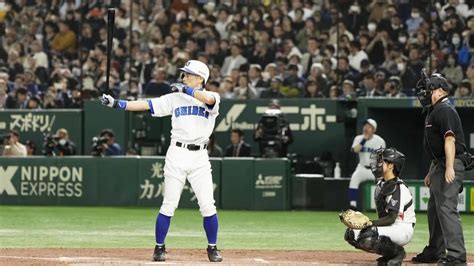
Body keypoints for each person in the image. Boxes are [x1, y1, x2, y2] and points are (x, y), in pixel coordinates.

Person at [101, 59, 223, 262]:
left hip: (200, 156)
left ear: (201, 78)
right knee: (169, 204)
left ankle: (212, 248)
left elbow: (209, 100)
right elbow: (146, 104)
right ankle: (159, 248)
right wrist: (117, 103)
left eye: (189, 74)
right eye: (184, 74)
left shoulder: (211, 97)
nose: (184, 77)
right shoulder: (175, 98)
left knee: (208, 205)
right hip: (177, 153)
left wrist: (186, 90)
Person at [412, 73, 467, 264]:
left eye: (429, 88)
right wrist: (432, 169)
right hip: (439, 164)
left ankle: (456, 256)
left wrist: (449, 167)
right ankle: (435, 250)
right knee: (434, 209)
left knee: (446, 209)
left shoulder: (444, 109)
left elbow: (450, 140)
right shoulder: (434, 110)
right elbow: (435, 147)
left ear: (440, 91)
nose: (425, 92)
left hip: (450, 163)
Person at [344, 147, 415, 266]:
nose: (377, 164)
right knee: (351, 234)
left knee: (367, 235)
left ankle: (398, 253)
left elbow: (392, 218)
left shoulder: (398, 188)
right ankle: (389, 254)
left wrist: (369, 223)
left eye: (381, 161)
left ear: (391, 165)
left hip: (402, 228)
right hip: (391, 227)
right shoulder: (381, 184)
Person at [349, 119, 386, 209]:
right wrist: (363, 141)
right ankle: (353, 205)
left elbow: (381, 159)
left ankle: (385, 206)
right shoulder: (358, 138)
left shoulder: (379, 141)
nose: (366, 128)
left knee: (385, 184)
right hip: (362, 168)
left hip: (374, 169)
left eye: (369, 127)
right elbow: (354, 150)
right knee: (353, 180)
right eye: (365, 126)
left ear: (374, 130)